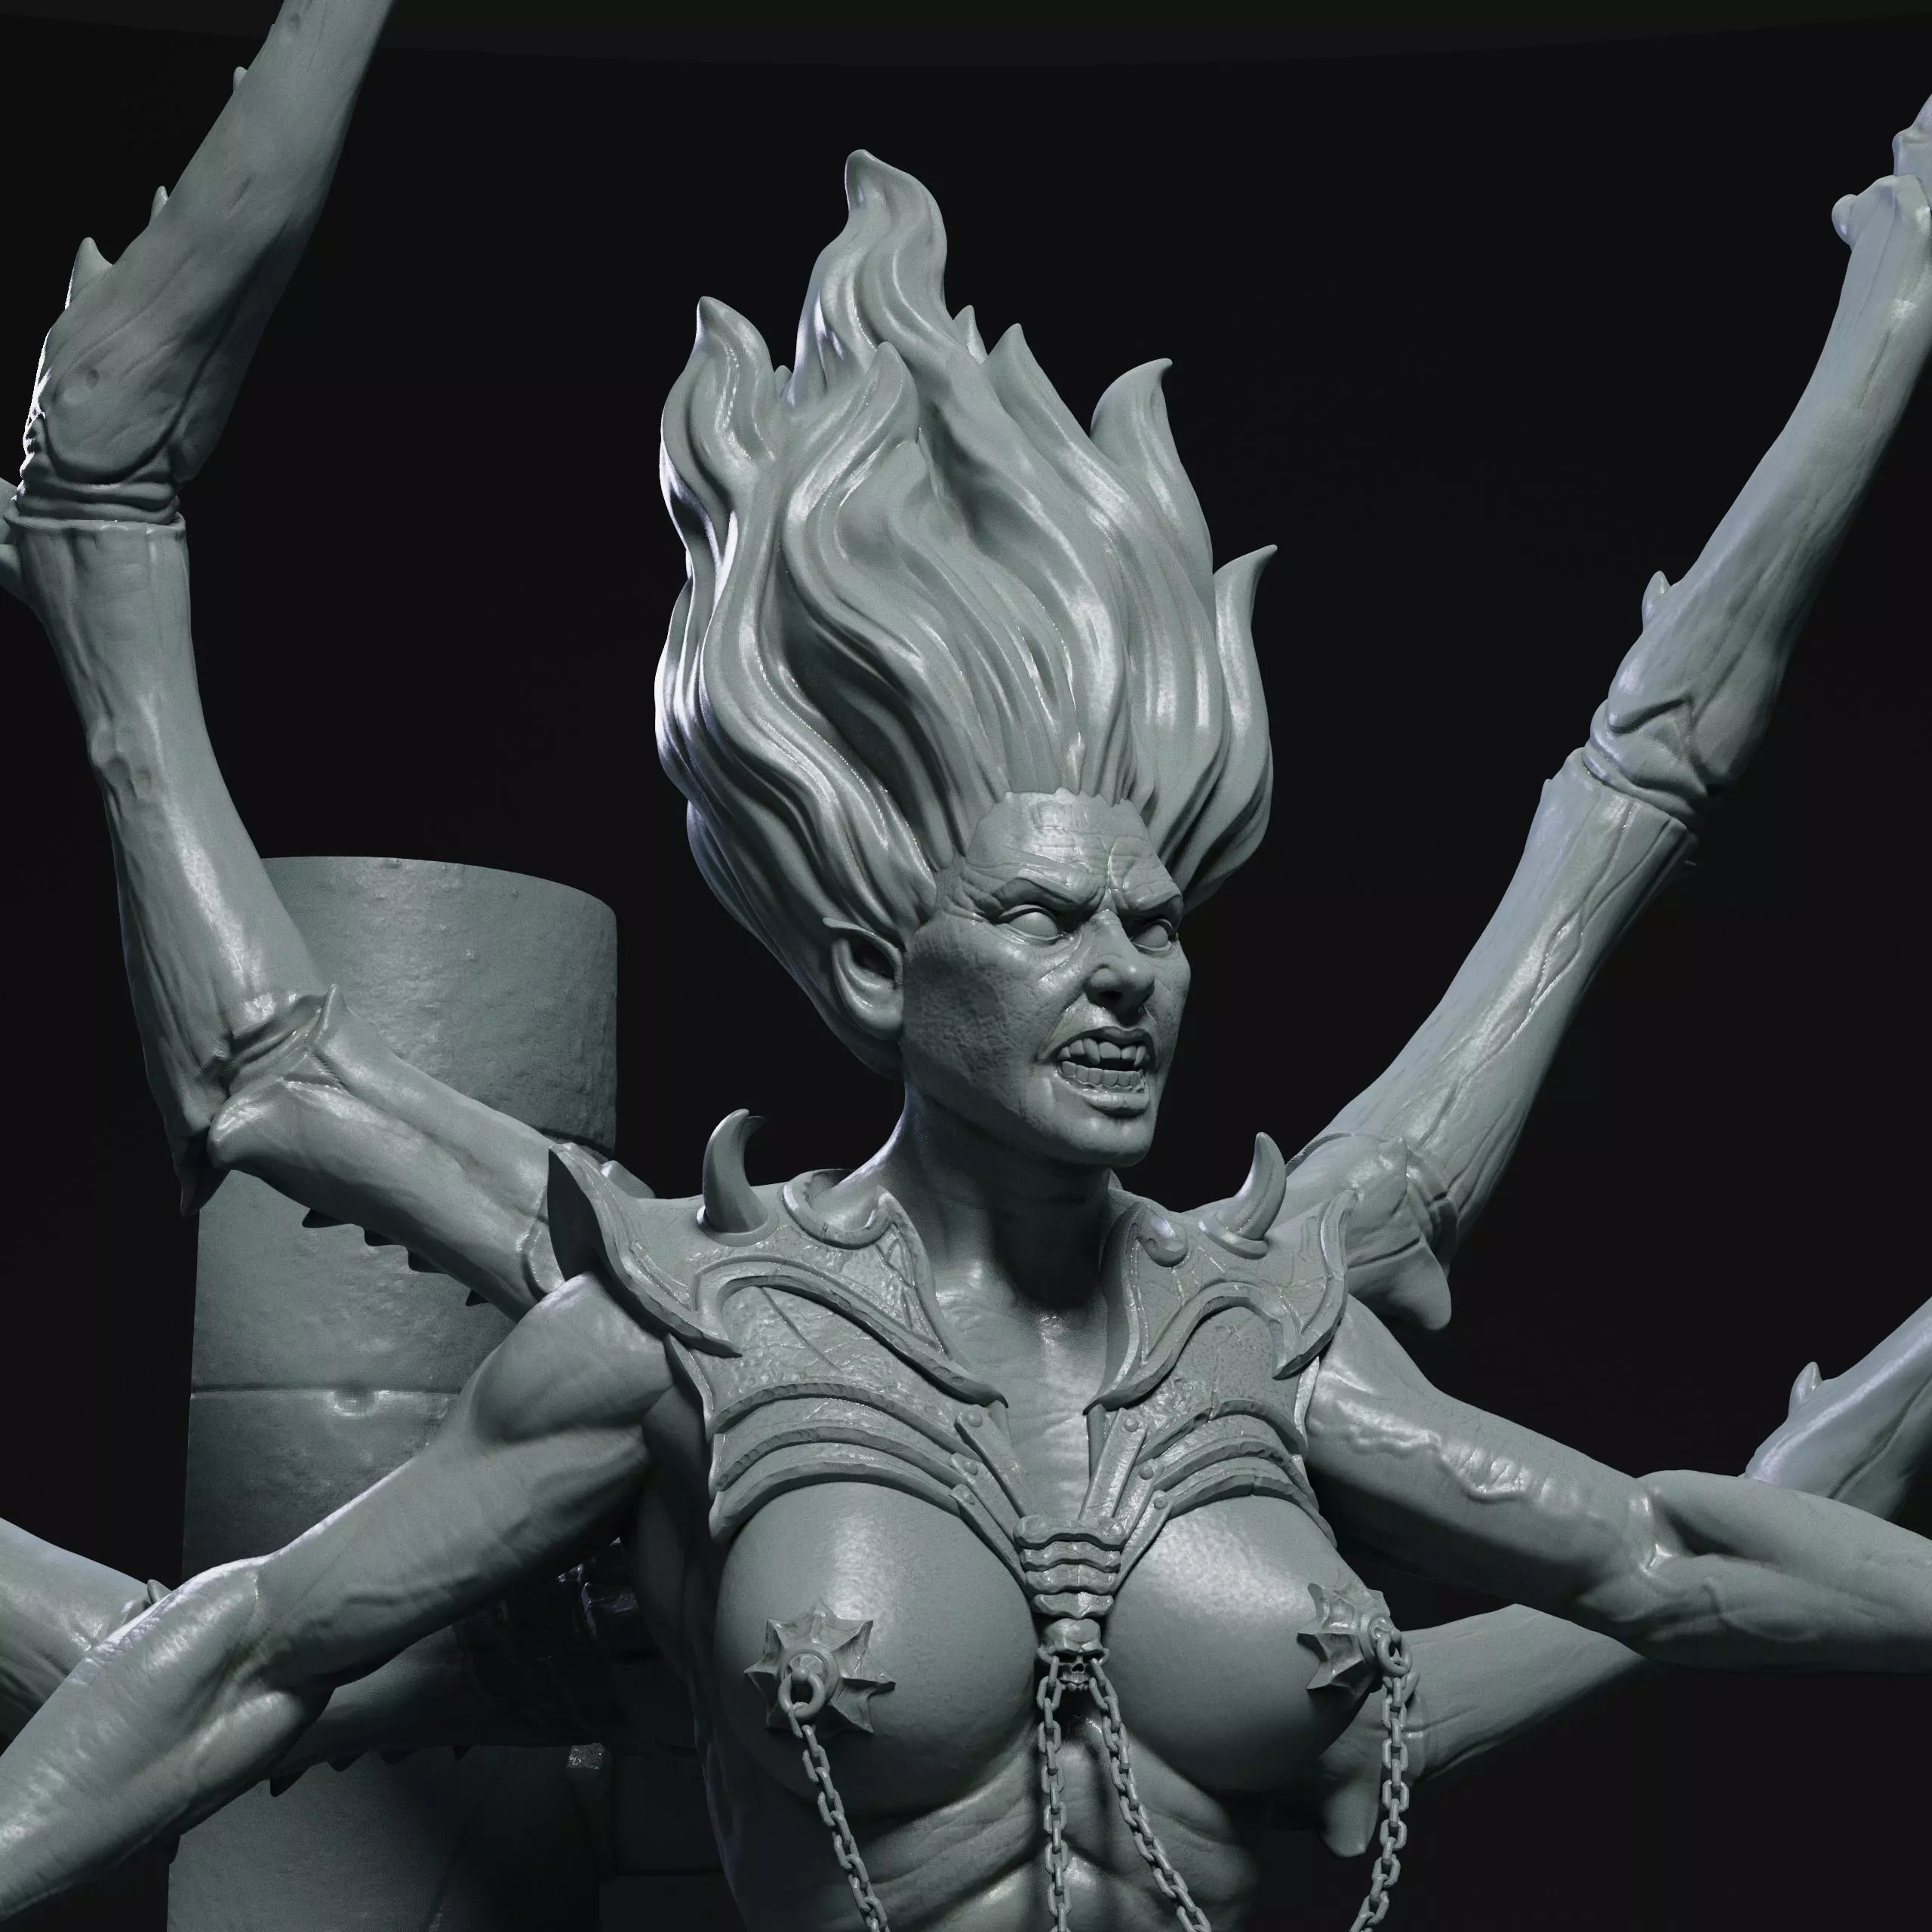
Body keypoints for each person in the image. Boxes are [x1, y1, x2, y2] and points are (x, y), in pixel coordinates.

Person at [0, 4, 1927, 1927]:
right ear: (870, 966)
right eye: (1039, 919)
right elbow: (247, 1653)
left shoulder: (1268, 1328)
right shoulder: (690, 1333)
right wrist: (107, 541)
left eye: (1153, 926)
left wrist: (1888, 317)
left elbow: (1666, 1555)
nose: (1123, 975)